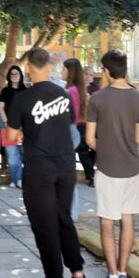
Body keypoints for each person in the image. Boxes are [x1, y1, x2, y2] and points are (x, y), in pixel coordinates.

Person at [6, 48, 87, 278]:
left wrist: (24, 133)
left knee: (45, 226)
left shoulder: (23, 98)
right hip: (65, 165)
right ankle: (78, 272)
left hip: (40, 168)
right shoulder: (63, 95)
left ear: (28, 67)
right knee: (63, 218)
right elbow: (67, 125)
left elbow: (11, 136)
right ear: (49, 67)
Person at [85, 50, 139, 278]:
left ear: (106, 71)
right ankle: (122, 273)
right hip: (131, 167)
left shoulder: (97, 99)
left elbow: (90, 140)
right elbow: (137, 139)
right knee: (127, 219)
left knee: (107, 222)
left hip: (108, 168)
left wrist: (107, 148)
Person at [63, 59, 95, 187]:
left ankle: (90, 175)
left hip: (78, 126)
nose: (61, 72)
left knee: (82, 152)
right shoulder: (78, 89)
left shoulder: (71, 90)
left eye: (64, 69)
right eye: (85, 74)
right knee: (82, 152)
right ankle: (90, 175)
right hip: (80, 125)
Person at [0, 65, 26, 188]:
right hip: (8, 126)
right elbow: (0, 107)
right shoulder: (5, 91)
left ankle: (18, 179)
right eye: (12, 74)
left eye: (16, 73)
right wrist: (6, 122)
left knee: (23, 154)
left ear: (21, 75)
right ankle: (17, 179)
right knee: (12, 155)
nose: (14, 76)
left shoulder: (25, 90)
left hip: (23, 127)